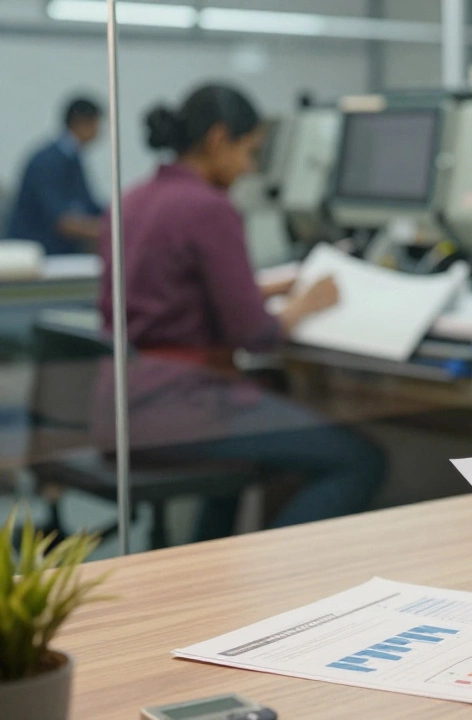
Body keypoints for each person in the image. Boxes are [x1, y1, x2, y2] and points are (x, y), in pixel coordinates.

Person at [97, 83, 386, 542]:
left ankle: (221, 572)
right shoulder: (208, 208)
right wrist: (306, 304)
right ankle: (266, 575)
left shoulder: (133, 199)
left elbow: (169, 293)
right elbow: (256, 333)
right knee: (358, 460)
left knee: (252, 455)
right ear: (217, 139)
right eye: (249, 152)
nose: (251, 168)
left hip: (123, 403)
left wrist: (267, 287)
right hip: (181, 406)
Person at [6, 97, 104, 254]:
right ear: (81, 123)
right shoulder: (48, 162)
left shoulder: (72, 158)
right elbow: (62, 222)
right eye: (96, 124)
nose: (99, 132)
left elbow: (90, 206)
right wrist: (107, 231)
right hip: (37, 255)